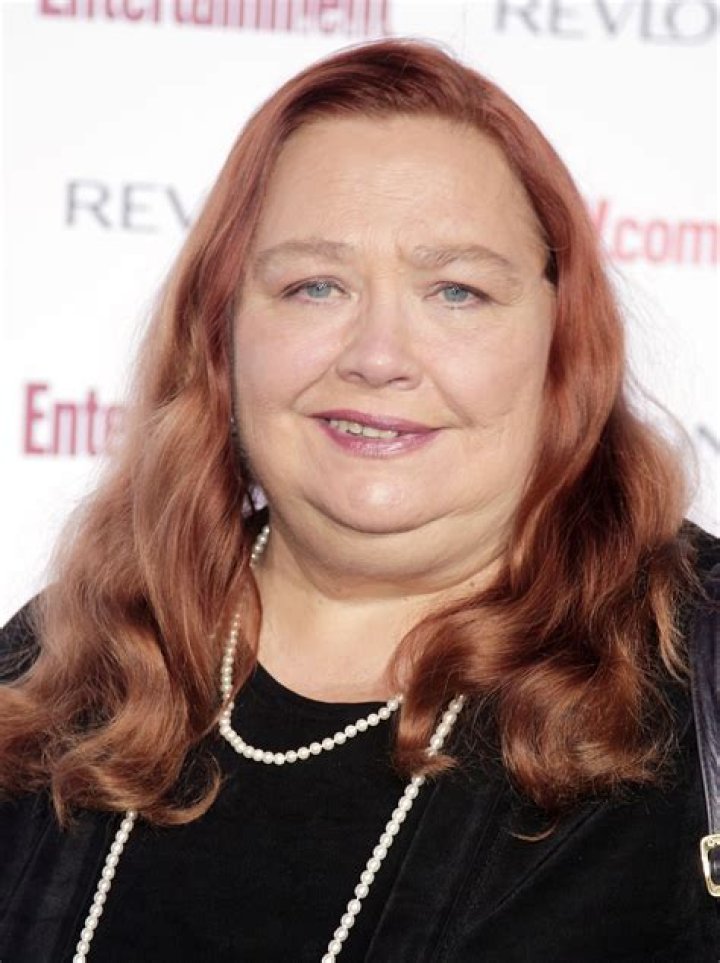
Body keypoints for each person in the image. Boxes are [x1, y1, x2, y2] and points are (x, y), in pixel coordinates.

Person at [0, 38, 717, 963]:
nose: (379, 355)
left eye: (457, 290)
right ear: (221, 335)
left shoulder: (695, 665)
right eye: (314, 286)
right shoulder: (52, 671)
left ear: (563, 341)